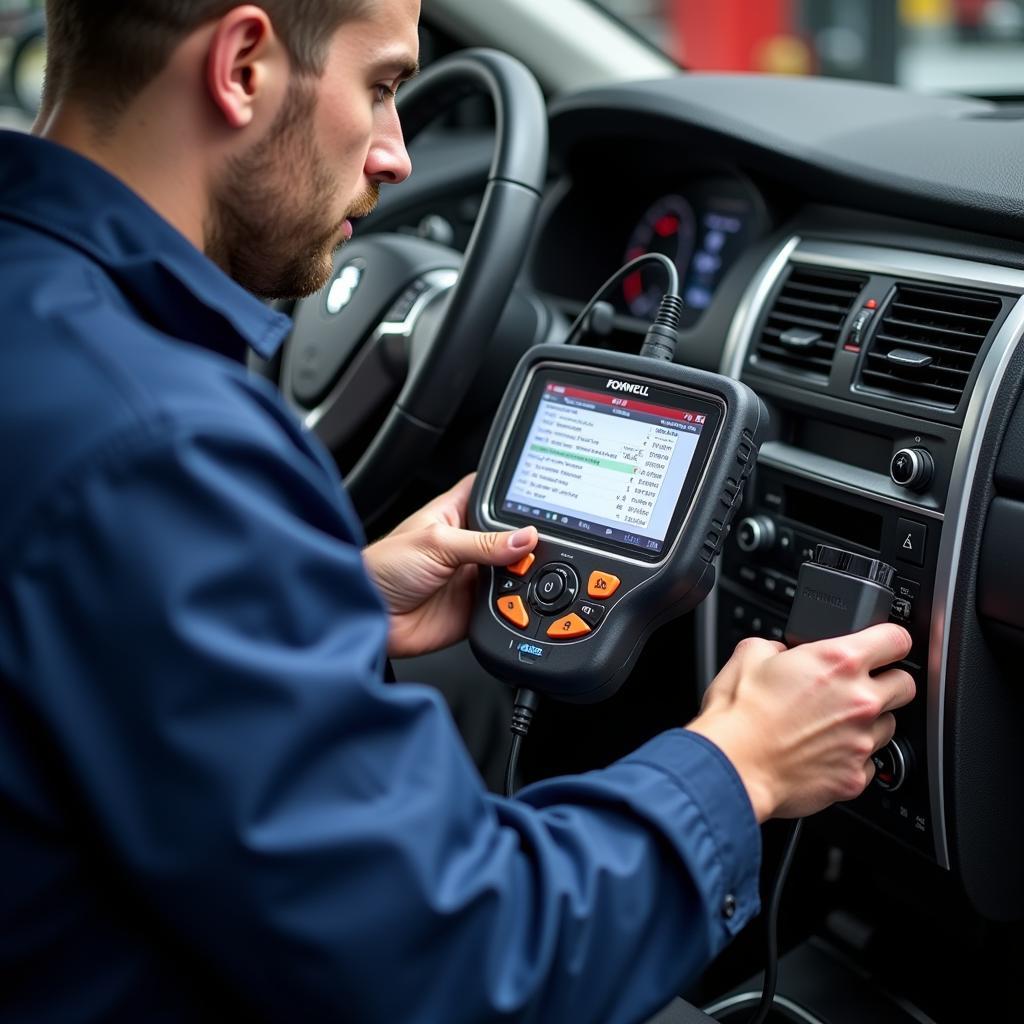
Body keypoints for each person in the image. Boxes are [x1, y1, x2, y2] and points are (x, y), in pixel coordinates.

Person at [0, 1, 915, 1021]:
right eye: (382, 87)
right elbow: (454, 956)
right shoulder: (165, 448)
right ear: (244, 64)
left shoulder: (49, 331)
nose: (394, 154)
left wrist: (313, 598)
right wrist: (740, 765)